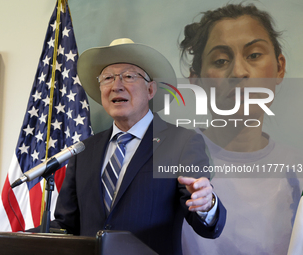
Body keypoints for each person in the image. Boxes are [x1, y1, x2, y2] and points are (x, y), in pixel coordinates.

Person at [35, 38, 226, 255]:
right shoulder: (84, 150)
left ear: (151, 90)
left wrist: (206, 205)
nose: (116, 86)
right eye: (107, 78)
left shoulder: (182, 142)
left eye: (129, 76)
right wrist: (16, 238)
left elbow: (205, 225)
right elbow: (66, 225)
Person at [179, 3, 302, 255]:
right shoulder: (171, 161)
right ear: (196, 80)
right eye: (221, 60)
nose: (239, 71)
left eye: (254, 55)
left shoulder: (297, 169)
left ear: (280, 67)